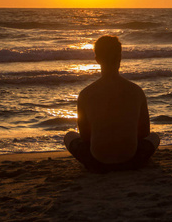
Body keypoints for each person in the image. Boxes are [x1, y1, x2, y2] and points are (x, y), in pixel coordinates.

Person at [64, 35, 160, 172]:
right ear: (120, 57)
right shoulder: (136, 91)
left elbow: (85, 137)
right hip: (132, 161)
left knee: (69, 136)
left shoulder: (85, 94)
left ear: (97, 59)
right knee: (155, 137)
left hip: (97, 163)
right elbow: (144, 133)